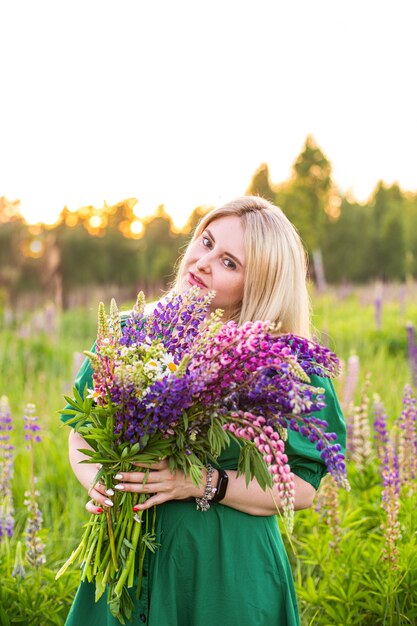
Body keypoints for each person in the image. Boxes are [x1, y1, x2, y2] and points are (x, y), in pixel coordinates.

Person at [61, 195, 346, 626]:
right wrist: (97, 482)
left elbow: (301, 488)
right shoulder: (131, 331)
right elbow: (82, 432)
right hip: (126, 557)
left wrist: (201, 482)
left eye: (230, 262)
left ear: (260, 285)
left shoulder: (284, 365)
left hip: (225, 576)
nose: (204, 262)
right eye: (207, 241)